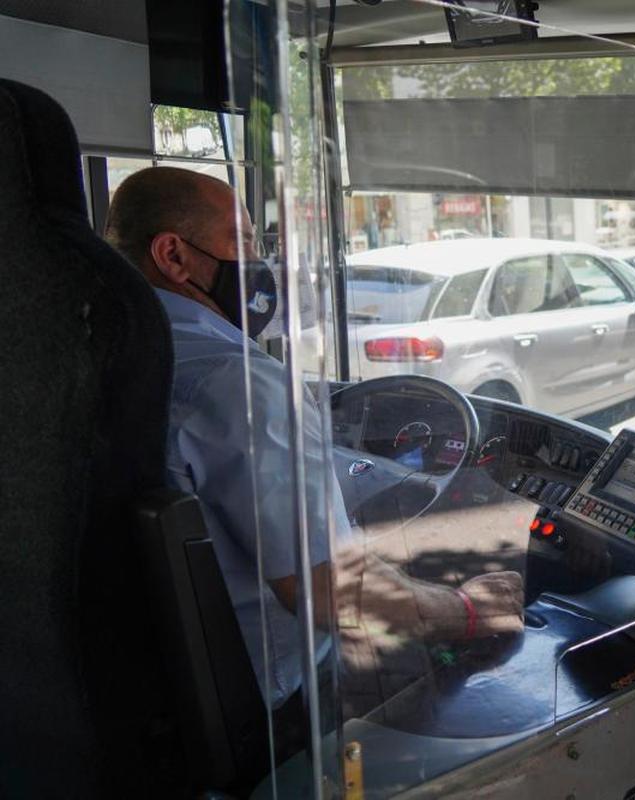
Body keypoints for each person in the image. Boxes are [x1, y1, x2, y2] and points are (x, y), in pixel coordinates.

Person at [104, 167, 524, 716]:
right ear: (174, 256)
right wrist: (467, 609)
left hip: (148, 680)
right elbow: (329, 591)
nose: (261, 260)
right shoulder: (240, 387)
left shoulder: (108, 355)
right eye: (246, 241)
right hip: (281, 695)